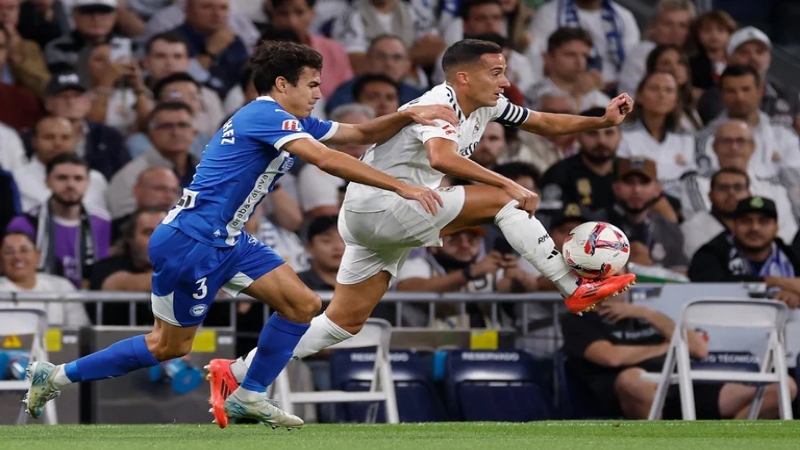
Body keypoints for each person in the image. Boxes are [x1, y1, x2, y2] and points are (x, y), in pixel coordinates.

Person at [22, 40, 456, 429]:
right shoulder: (264, 116)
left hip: (228, 240)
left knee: (302, 304)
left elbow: (359, 133)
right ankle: (56, 376)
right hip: (192, 242)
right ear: (282, 84)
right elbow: (325, 160)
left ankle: (249, 395)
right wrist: (402, 185)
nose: (319, 93)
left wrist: (407, 115)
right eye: (311, 85)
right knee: (168, 346)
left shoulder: (286, 119)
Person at [208, 38, 638, 418]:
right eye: (497, 72)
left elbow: (543, 121)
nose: (505, 81)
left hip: (375, 213)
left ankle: (239, 371)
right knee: (501, 200)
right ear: (464, 77)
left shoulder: (487, 103)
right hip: (386, 205)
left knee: (345, 322)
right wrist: (507, 181)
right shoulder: (440, 102)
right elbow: (441, 158)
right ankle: (571, 285)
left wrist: (599, 122)